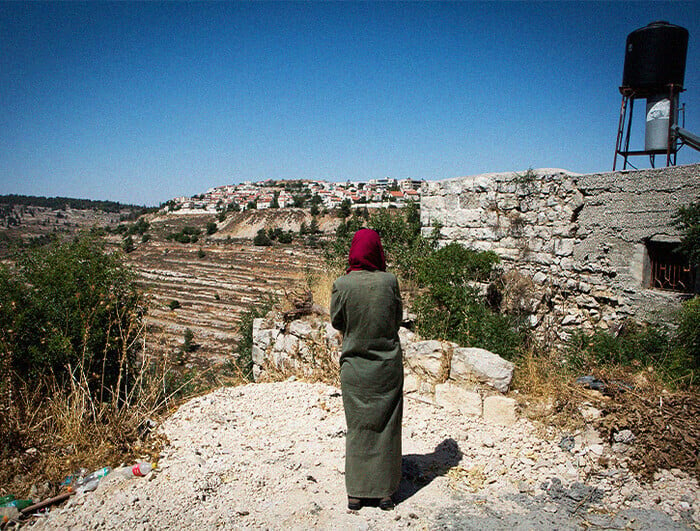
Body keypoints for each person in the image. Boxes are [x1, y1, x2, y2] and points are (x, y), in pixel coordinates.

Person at [330, 228, 403, 511]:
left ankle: (357, 494)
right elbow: (396, 320)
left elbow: (338, 322)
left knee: (358, 426)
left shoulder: (342, 284)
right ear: (377, 251)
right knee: (387, 426)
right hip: (387, 366)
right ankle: (385, 493)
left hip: (355, 368)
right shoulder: (390, 282)